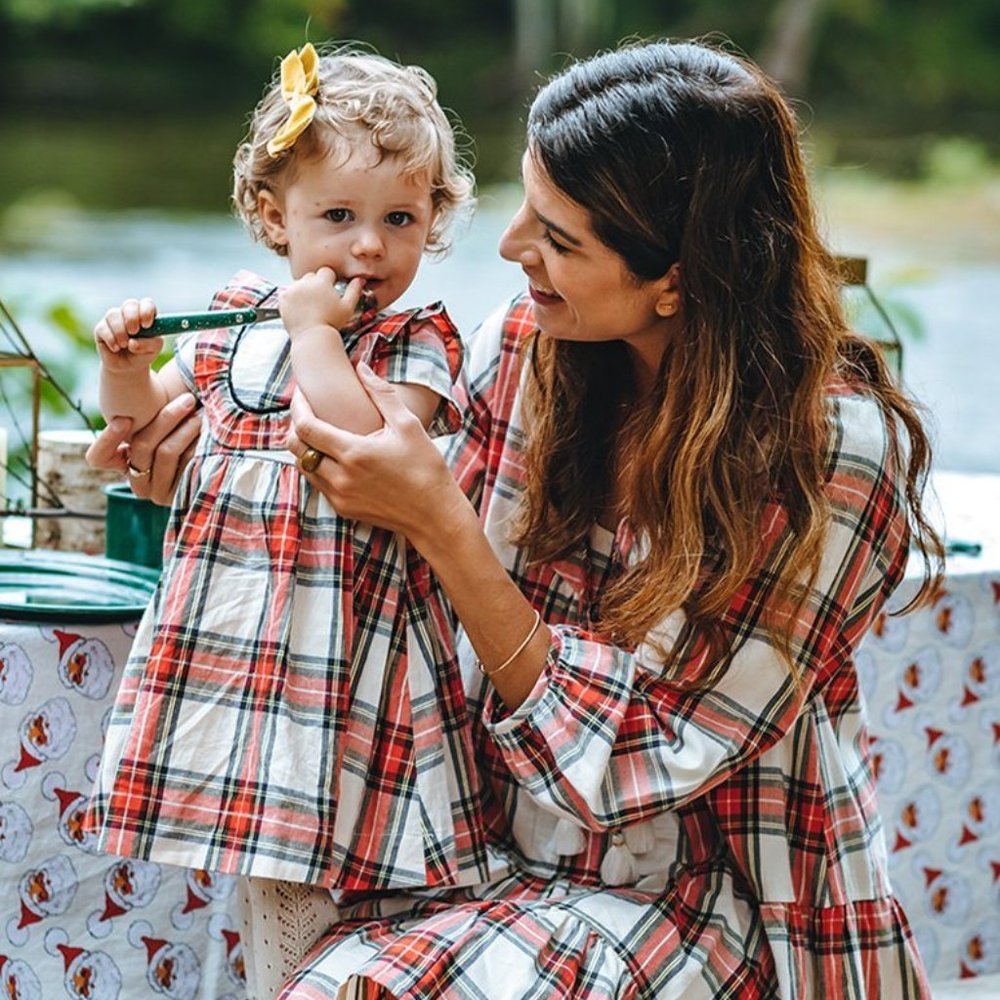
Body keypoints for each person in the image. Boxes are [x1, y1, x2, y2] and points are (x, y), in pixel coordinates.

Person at [89, 38, 943, 1000]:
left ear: (678, 277)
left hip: (713, 899)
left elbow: (635, 771)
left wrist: (443, 526)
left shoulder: (825, 452)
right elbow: (353, 529)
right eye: (526, 208)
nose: (507, 249)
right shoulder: (527, 349)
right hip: (472, 850)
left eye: (559, 238)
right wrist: (219, 462)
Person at [84, 42, 489, 999]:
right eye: (338, 217)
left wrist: (311, 332)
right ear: (275, 217)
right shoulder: (231, 323)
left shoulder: (417, 343)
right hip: (241, 656)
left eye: (401, 218)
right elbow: (138, 434)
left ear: (434, 222)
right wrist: (126, 366)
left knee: (351, 880)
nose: (369, 247)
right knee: (271, 878)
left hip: (349, 664)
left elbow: (354, 447)